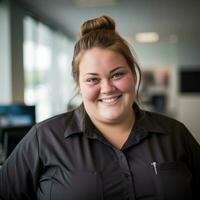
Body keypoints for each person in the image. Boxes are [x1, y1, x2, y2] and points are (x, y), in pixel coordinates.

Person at [0, 15, 200, 200]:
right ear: (78, 83)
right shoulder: (43, 139)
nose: (107, 88)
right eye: (92, 79)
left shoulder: (175, 134)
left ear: (133, 73)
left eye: (117, 75)